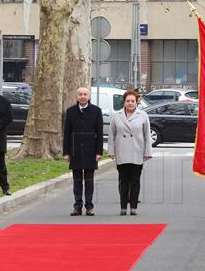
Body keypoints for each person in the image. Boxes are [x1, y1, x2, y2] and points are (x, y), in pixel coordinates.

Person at [109, 90, 152, 215]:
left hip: (137, 152)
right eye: (128, 101)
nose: (130, 103)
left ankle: (133, 207)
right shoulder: (117, 115)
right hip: (122, 152)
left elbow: (147, 135)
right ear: (124, 102)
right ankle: (123, 207)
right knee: (123, 181)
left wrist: (147, 152)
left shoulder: (143, 115)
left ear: (137, 102)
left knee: (135, 181)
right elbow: (112, 135)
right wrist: (112, 152)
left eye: (133, 101)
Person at [63, 86, 103, 216]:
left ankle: (89, 206)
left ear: (89, 96)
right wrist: (66, 152)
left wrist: (99, 152)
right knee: (77, 180)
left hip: (90, 150)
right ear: (77, 96)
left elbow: (100, 133)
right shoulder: (70, 111)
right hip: (75, 150)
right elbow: (67, 133)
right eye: (80, 94)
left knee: (89, 180)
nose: (83, 96)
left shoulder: (96, 111)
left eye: (85, 94)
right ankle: (77, 206)